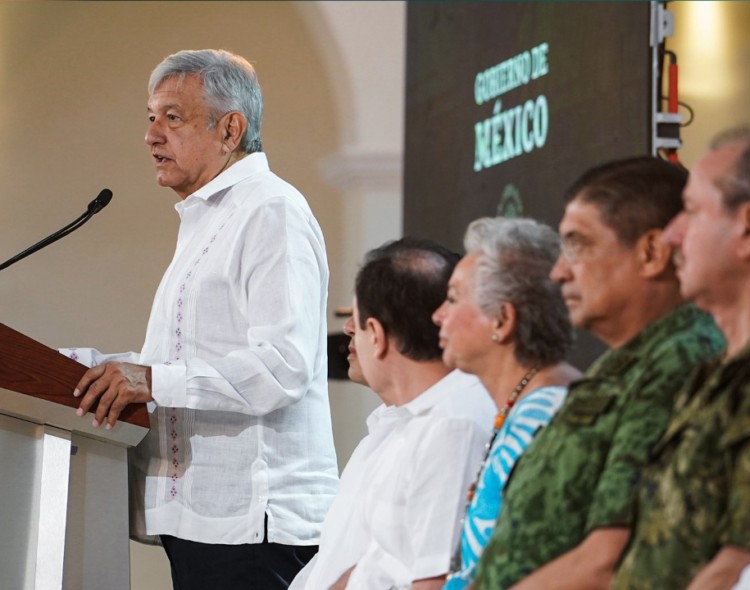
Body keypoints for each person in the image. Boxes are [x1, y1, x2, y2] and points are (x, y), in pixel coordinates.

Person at [63, 49, 339, 589]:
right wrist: (91, 368)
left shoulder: (270, 211)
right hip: (203, 520)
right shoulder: (207, 219)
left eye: (172, 117)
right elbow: (183, 363)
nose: (151, 136)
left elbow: (284, 367)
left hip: (257, 527)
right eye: (150, 118)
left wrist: (149, 380)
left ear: (230, 129)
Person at [473, 156, 725, 590]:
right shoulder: (620, 363)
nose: (560, 271)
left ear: (651, 253)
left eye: (579, 245)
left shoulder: (680, 357)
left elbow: (611, 558)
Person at [291, 237, 495, 590]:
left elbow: (433, 580)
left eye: (357, 317)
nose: (348, 330)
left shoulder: (454, 426)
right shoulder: (393, 423)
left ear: (376, 334)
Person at [612, 128, 750, 590]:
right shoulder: (710, 377)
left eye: (690, 211)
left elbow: (736, 565)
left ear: (746, 228)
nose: (671, 234)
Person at [430, 216, 580, 590]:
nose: (438, 315)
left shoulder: (544, 419)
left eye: (452, 298)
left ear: (502, 319)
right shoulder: (523, 410)